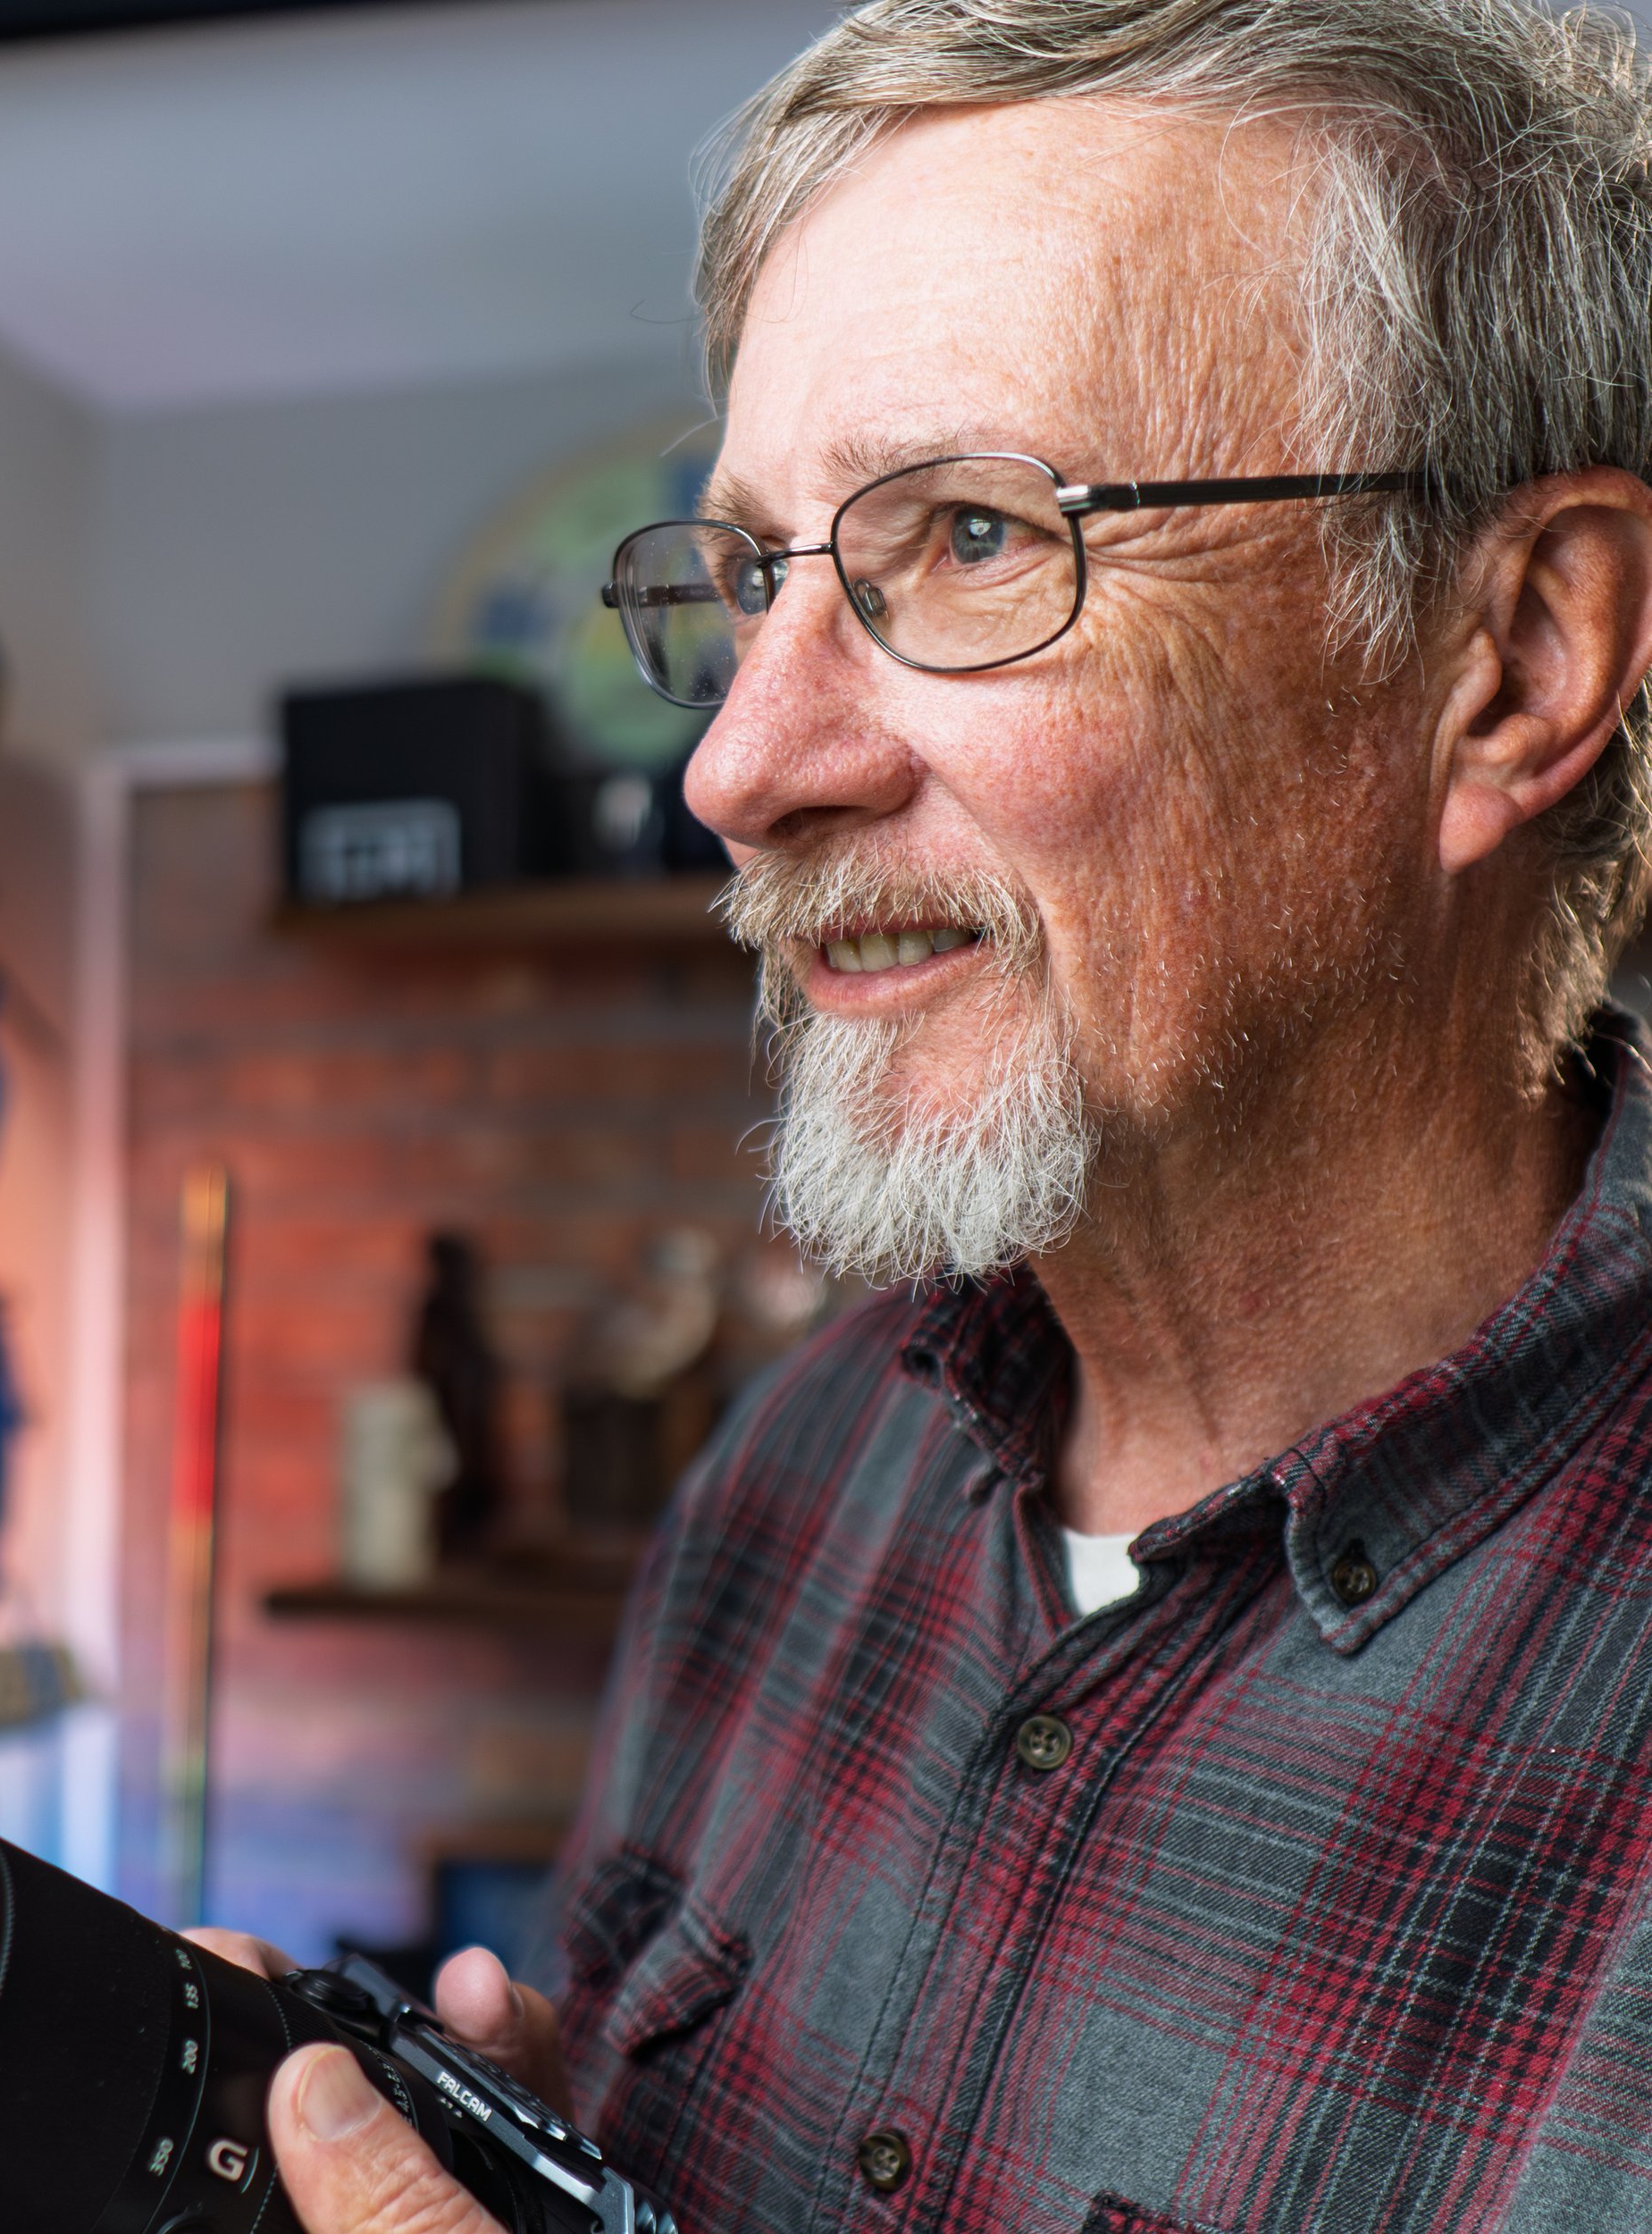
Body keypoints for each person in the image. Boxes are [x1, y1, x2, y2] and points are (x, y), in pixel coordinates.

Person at [198, 0, 1652, 2224]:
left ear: (1513, 658)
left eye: (970, 537)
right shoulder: (790, 1469)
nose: (735, 768)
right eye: (754, 576)